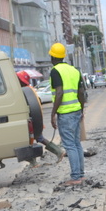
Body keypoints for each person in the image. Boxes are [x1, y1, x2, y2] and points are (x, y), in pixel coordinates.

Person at [48, 42, 87, 186]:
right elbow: (81, 92)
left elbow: (59, 93)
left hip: (65, 114)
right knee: (76, 144)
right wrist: (81, 110)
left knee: (70, 145)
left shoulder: (55, 71)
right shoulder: (74, 70)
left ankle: (75, 177)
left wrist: (53, 114)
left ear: (53, 57)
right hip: (76, 111)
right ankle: (80, 175)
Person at [16, 70, 65, 165]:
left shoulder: (25, 91)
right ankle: (57, 152)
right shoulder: (29, 89)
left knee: (32, 139)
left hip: (32, 120)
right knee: (36, 139)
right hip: (34, 119)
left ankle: (35, 161)